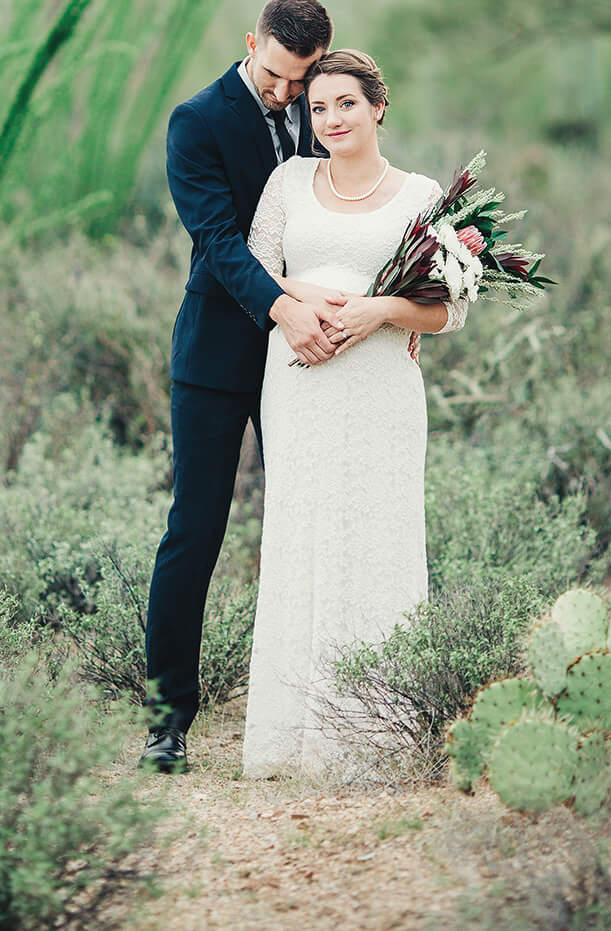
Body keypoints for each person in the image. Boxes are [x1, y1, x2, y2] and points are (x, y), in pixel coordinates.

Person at [239, 48, 462, 779]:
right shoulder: (288, 182)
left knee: (376, 529)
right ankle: (292, 731)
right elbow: (255, 268)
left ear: (378, 107)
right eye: (319, 106)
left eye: (346, 104)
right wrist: (305, 297)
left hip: (380, 390)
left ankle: (379, 729)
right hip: (299, 383)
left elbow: (445, 309)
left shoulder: (420, 194)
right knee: (303, 530)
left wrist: (376, 310)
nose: (330, 118)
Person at [141, 0, 344, 773]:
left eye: (302, 81)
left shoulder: (321, 109)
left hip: (310, 354)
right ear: (250, 42)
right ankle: (168, 719)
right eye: (278, 76)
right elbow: (220, 243)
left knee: (311, 519)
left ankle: (316, 705)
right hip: (219, 356)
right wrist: (284, 309)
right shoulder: (195, 121)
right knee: (195, 529)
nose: (288, 95)